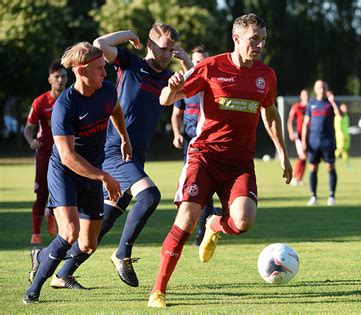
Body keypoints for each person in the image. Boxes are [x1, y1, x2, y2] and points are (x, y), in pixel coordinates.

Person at [148, 13, 292, 308]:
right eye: (255, 39)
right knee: (186, 217)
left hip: (240, 163)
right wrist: (173, 86)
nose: (260, 45)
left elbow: (270, 114)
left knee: (243, 222)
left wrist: (284, 154)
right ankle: (158, 291)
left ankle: (214, 225)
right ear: (236, 38)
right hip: (204, 156)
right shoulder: (210, 67)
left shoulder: (266, 75)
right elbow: (165, 99)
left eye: (263, 39)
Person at [52, 23, 192, 289]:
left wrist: (184, 62)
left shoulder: (168, 78)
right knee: (150, 195)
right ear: (150, 45)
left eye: (171, 50)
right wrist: (129, 35)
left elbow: (198, 85)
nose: (166, 55)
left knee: (104, 221)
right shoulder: (131, 63)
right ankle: (121, 254)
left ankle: (62, 274)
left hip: (137, 154)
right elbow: (100, 44)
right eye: (163, 48)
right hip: (114, 149)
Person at [23, 42, 131, 304]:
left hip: (91, 173)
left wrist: (124, 138)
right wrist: (104, 176)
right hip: (65, 172)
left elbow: (115, 110)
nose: (105, 74)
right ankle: (33, 290)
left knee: (88, 245)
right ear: (81, 71)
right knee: (69, 233)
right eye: (99, 69)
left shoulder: (106, 90)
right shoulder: (65, 105)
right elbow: (69, 157)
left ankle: (42, 255)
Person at [171, 46, 218, 246]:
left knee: (202, 188)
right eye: (196, 60)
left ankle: (204, 229)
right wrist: (176, 133)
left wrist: (184, 59)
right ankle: (200, 227)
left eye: (203, 61)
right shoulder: (185, 86)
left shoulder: (209, 84)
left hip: (208, 144)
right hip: (189, 145)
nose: (199, 64)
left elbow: (199, 72)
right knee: (192, 188)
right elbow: (175, 113)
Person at [24, 60, 68, 245]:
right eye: (57, 76)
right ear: (50, 78)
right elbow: (28, 129)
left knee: (65, 192)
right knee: (42, 193)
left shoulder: (71, 98)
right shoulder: (40, 102)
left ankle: (56, 219)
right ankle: (36, 232)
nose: (60, 79)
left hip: (67, 154)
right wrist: (32, 141)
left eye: (64, 76)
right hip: (45, 154)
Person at [301, 81, 340, 207]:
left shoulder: (330, 103)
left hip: (327, 141)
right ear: (315, 89)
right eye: (319, 87)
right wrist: (303, 141)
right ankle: (313, 196)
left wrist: (333, 101)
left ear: (327, 89)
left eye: (323, 87)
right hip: (313, 141)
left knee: (330, 167)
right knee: (313, 168)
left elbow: (340, 115)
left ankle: (332, 196)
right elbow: (305, 124)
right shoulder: (311, 104)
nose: (322, 89)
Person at [287, 89, 309, 186]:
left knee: (305, 157)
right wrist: (291, 132)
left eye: (307, 95)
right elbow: (290, 121)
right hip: (299, 136)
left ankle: (299, 179)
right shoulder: (297, 107)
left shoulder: (310, 107)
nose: (306, 96)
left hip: (309, 135)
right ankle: (295, 177)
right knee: (302, 156)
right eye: (304, 95)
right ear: (301, 96)